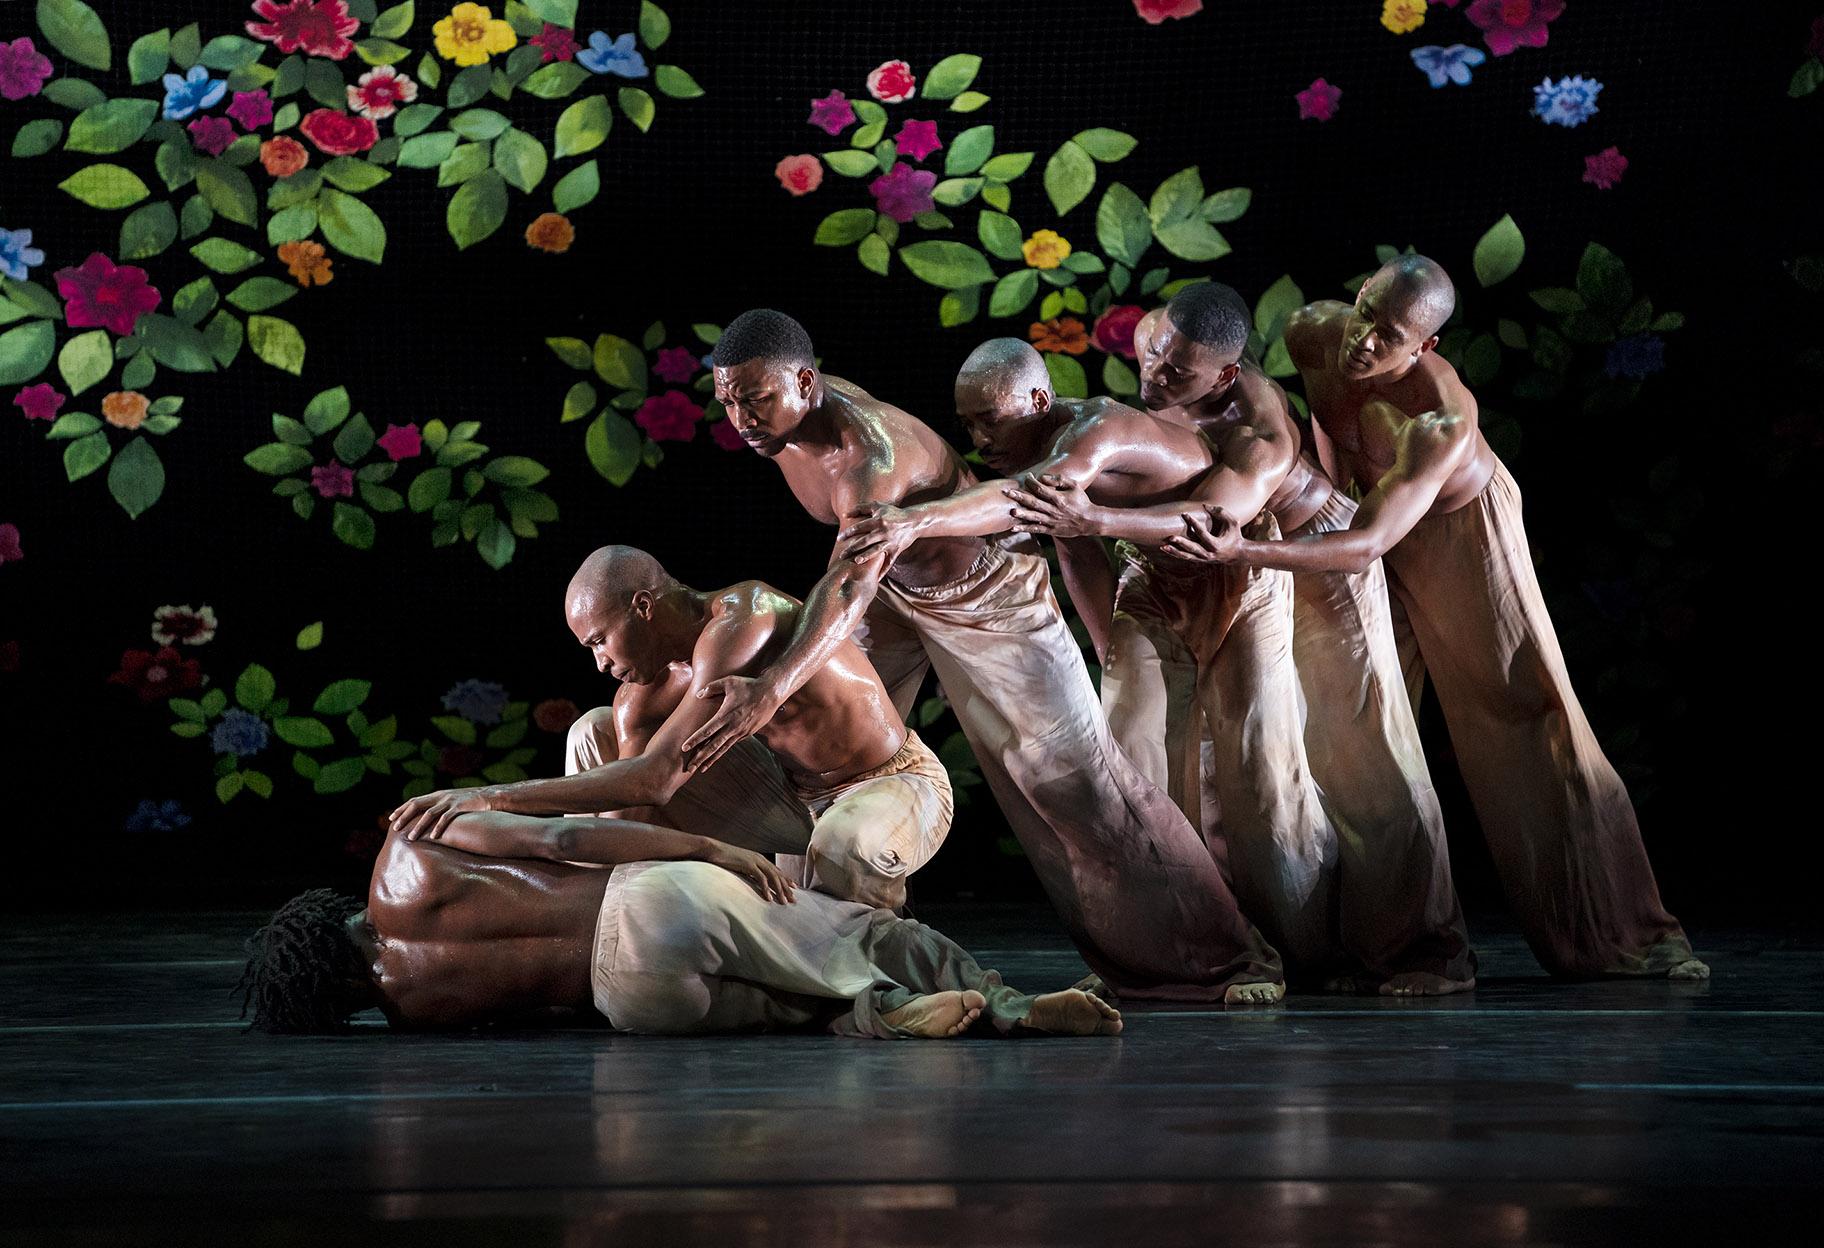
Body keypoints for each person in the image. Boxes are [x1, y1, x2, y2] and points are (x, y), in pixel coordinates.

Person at [682, 308, 1284, 1004]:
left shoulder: (869, 455)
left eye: (755, 399)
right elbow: (857, 572)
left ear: (807, 382)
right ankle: (825, 949)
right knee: (826, 748)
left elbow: (852, 575)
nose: (741, 418)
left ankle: (1232, 956)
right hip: (893, 589)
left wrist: (775, 683)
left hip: (985, 592)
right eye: (728, 400)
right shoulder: (786, 416)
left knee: (1078, 783)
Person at [1166, 255, 1705, 980]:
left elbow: (1367, 546)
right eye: (1365, 316)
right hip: (1362, 522)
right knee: (1349, 723)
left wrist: (1250, 550)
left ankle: (1630, 936)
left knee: (1527, 720)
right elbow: (1334, 442)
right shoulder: (1310, 334)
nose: (1364, 342)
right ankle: (1386, 942)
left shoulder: (1441, 421)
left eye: (1389, 337)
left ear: (1426, 347)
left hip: (1458, 538)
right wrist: (1336, 497)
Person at [1009, 289, 1475, 993]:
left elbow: (1208, 519)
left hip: (1311, 557)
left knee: (1363, 759)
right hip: (1234, 564)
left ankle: (1428, 950)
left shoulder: (1260, 434)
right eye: (1153, 351)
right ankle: (1263, 945)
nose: (1156, 376)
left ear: (1223, 376)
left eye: (1178, 373)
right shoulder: (1166, 357)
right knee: (1234, 765)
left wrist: (1094, 520)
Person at [388, 545, 951, 911]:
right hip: (795, 799)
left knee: (843, 848)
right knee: (596, 729)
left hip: (889, 784)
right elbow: (627, 813)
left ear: (643, 606)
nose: (600, 663)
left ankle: (882, 943)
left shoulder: (742, 619)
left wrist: (493, 798)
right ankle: (593, 925)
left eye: (599, 641)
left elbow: (654, 781)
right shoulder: (649, 689)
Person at [236, 815, 1123, 1038]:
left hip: (626, 1000)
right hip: (650, 901)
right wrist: (707, 848)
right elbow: (564, 837)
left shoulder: (408, 1009)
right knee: (867, 935)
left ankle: (874, 1020)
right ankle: (1008, 1005)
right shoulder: (409, 854)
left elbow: (547, 1019)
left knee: (802, 1014)